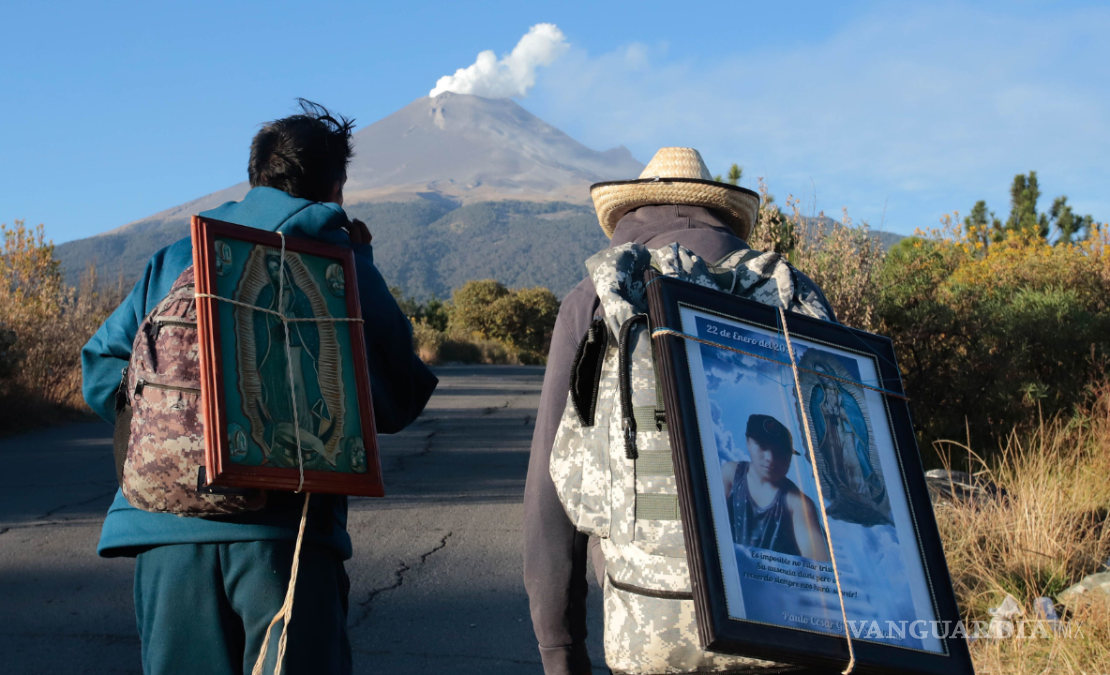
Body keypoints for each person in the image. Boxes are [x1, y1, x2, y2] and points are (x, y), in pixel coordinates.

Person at [82, 99, 437, 675]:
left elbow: (100, 370)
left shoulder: (180, 255)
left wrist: (172, 433)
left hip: (163, 532)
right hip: (285, 536)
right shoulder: (337, 260)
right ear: (336, 186)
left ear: (254, 177)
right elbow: (396, 399)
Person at [522, 147, 836, 675]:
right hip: (794, 625)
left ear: (628, 215)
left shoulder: (599, 297)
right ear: (724, 215)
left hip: (650, 623)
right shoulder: (789, 293)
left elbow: (551, 496)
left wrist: (560, 650)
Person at [722, 414, 829, 562]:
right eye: (763, 446)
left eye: (780, 452)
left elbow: (820, 565)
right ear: (748, 443)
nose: (770, 458)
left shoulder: (798, 504)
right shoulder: (730, 474)